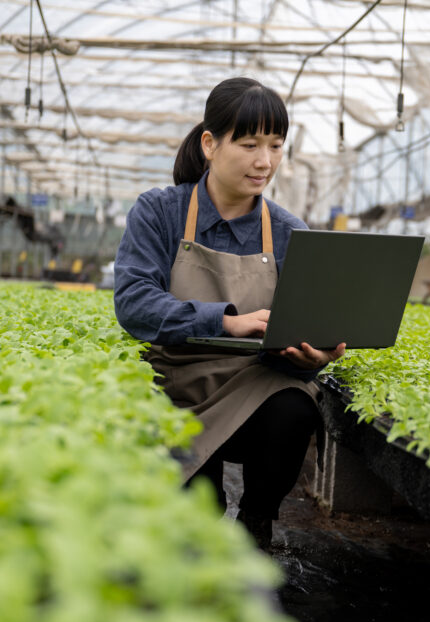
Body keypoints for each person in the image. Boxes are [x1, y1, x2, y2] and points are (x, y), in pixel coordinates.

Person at [114, 77, 345, 549]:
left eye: (276, 145)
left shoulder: (287, 231)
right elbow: (134, 302)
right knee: (193, 521)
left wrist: (313, 353)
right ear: (210, 145)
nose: (265, 161)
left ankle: (257, 520)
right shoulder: (160, 212)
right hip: (174, 380)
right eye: (249, 144)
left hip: (251, 385)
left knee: (294, 405)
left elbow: (300, 324)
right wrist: (224, 320)